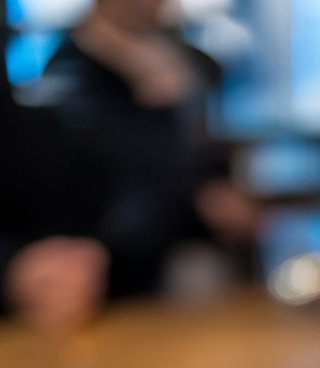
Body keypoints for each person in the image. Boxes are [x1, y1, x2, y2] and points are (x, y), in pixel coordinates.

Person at [1, 0, 262, 328]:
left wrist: (219, 189)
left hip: (184, 260)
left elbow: (204, 157)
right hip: (111, 275)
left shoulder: (193, 62)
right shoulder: (69, 72)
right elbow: (104, 169)